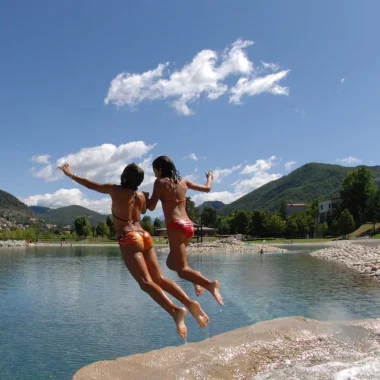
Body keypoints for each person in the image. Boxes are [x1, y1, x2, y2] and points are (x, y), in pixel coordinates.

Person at [58, 163, 209, 339]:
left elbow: (89, 184)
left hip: (129, 237)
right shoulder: (141, 196)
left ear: (124, 178)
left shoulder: (115, 190)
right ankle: (190, 303)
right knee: (159, 278)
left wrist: (70, 174)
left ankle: (176, 311)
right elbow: (144, 210)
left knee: (146, 282)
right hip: (145, 235)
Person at [144, 156, 223, 305]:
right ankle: (196, 278)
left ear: (160, 170)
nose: (154, 174)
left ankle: (210, 284)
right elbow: (207, 188)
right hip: (188, 226)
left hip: (175, 226)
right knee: (170, 263)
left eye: (155, 171)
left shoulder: (159, 183)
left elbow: (152, 206)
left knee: (182, 270)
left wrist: (145, 197)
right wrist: (210, 177)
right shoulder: (184, 182)